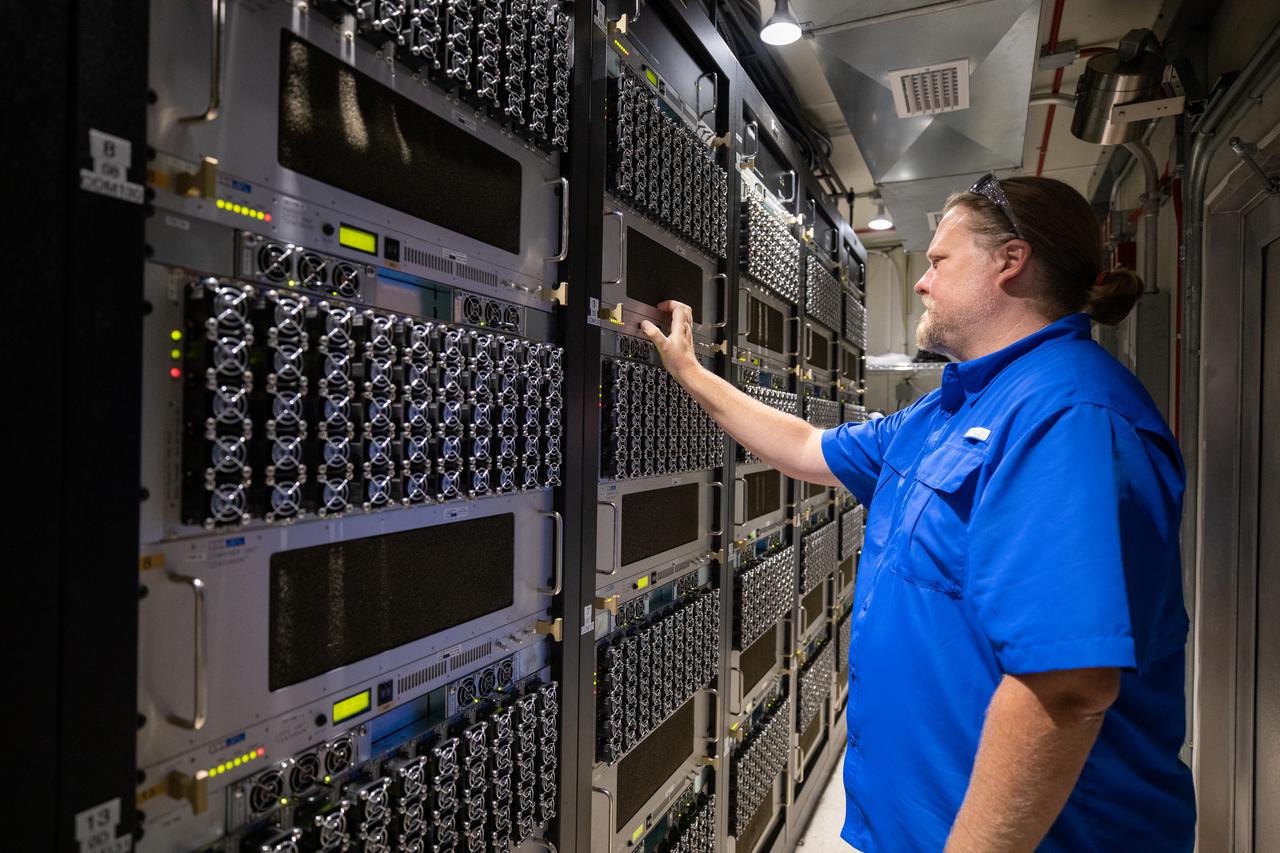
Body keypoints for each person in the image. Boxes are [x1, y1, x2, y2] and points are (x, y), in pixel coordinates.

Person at [640, 174, 1195, 852]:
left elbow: (1067, 686)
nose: (922, 282)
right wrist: (691, 373)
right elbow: (807, 446)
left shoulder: (1067, 415)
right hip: (916, 823)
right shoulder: (949, 409)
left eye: (937, 261)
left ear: (1009, 262)